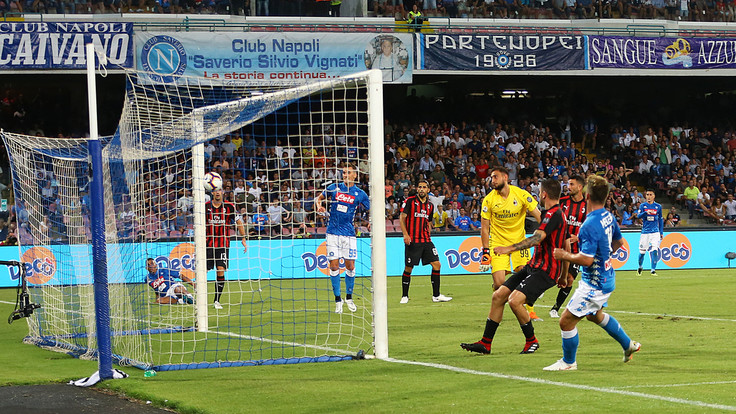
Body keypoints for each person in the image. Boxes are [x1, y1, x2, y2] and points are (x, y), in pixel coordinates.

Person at [461, 178, 567, 355]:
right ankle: (485, 343)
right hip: (534, 266)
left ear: (544, 194)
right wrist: (564, 276)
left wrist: (509, 248)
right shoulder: (552, 213)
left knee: (515, 300)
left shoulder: (553, 215)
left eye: (540, 192)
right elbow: (566, 244)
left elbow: (537, 238)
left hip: (546, 270)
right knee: (498, 295)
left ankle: (531, 341)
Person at [545, 175, 641, 371]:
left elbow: (586, 259)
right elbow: (618, 243)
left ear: (586, 196)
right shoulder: (608, 216)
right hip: (605, 276)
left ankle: (569, 363)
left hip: (595, 283)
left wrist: (565, 255)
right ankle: (628, 345)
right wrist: (605, 257)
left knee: (566, 321)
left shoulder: (589, 225)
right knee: (595, 316)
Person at [478, 167, 542, 320]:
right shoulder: (489, 200)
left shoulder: (520, 194)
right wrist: (486, 251)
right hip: (498, 243)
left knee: (525, 274)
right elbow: (485, 228)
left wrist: (543, 234)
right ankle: (501, 291)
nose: (492, 180)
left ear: (505, 177)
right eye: (491, 178)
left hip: (519, 243)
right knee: (500, 284)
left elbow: (540, 216)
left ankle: (530, 311)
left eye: (495, 177)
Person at [315, 163, 370, 314]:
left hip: (349, 234)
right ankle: (338, 300)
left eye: (348, 173)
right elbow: (318, 198)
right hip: (332, 233)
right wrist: (319, 206)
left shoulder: (360, 194)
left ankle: (349, 298)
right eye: (344, 172)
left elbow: (370, 208)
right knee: (333, 267)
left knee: (350, 266)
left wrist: (370, 222)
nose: (345, 175)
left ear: (355, 175)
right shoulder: (334, 188)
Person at [399, 179, 452, 304]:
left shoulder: (430, 205)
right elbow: (402, 218)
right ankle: (405, 295)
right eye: (420, 187)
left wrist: (429, 231)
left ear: (428, 190)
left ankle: (436, 295)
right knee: (409, 268)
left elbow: (428, 221)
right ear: (417, 189)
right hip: (413, 240)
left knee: (437, 264)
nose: (422, 189)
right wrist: (405, 234)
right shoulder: (410, 201)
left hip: (426, 240)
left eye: (424, 187)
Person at [550, 175, 587, 319]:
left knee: (570, 279)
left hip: (577, 249)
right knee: (551, 274)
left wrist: (578, 237)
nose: (568, 187)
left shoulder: (588, 206)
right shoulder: (562, 201)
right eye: (568, 184)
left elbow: (591, 227)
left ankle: (555, 308)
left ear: (579, 187)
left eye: (571, 184)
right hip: (558, 245)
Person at [206, 184, 247, 310]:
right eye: (215, 191)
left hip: (223, 244)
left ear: (223, 192)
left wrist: (243, 237)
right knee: (202, 272)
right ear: (212, 193)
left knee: (220, 270)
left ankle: (216, 300)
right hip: (207, 244)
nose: (218, 193)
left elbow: (239, 222)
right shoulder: (205, 206)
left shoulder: (229, 206)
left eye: (219, 190)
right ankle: (199, 298)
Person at [636, 189, 663, 276]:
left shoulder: (658, 206)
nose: (649, 196)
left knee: (655, 250)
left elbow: (660, 220)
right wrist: (645, 212)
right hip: (645, 232)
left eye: (651, 194)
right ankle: (640, 266)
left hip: (655, 232)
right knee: (642, 253)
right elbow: (638, 216)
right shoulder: (643, 206)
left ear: (654, 196)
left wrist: (661, 232)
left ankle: (653, 270)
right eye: (647, 194)